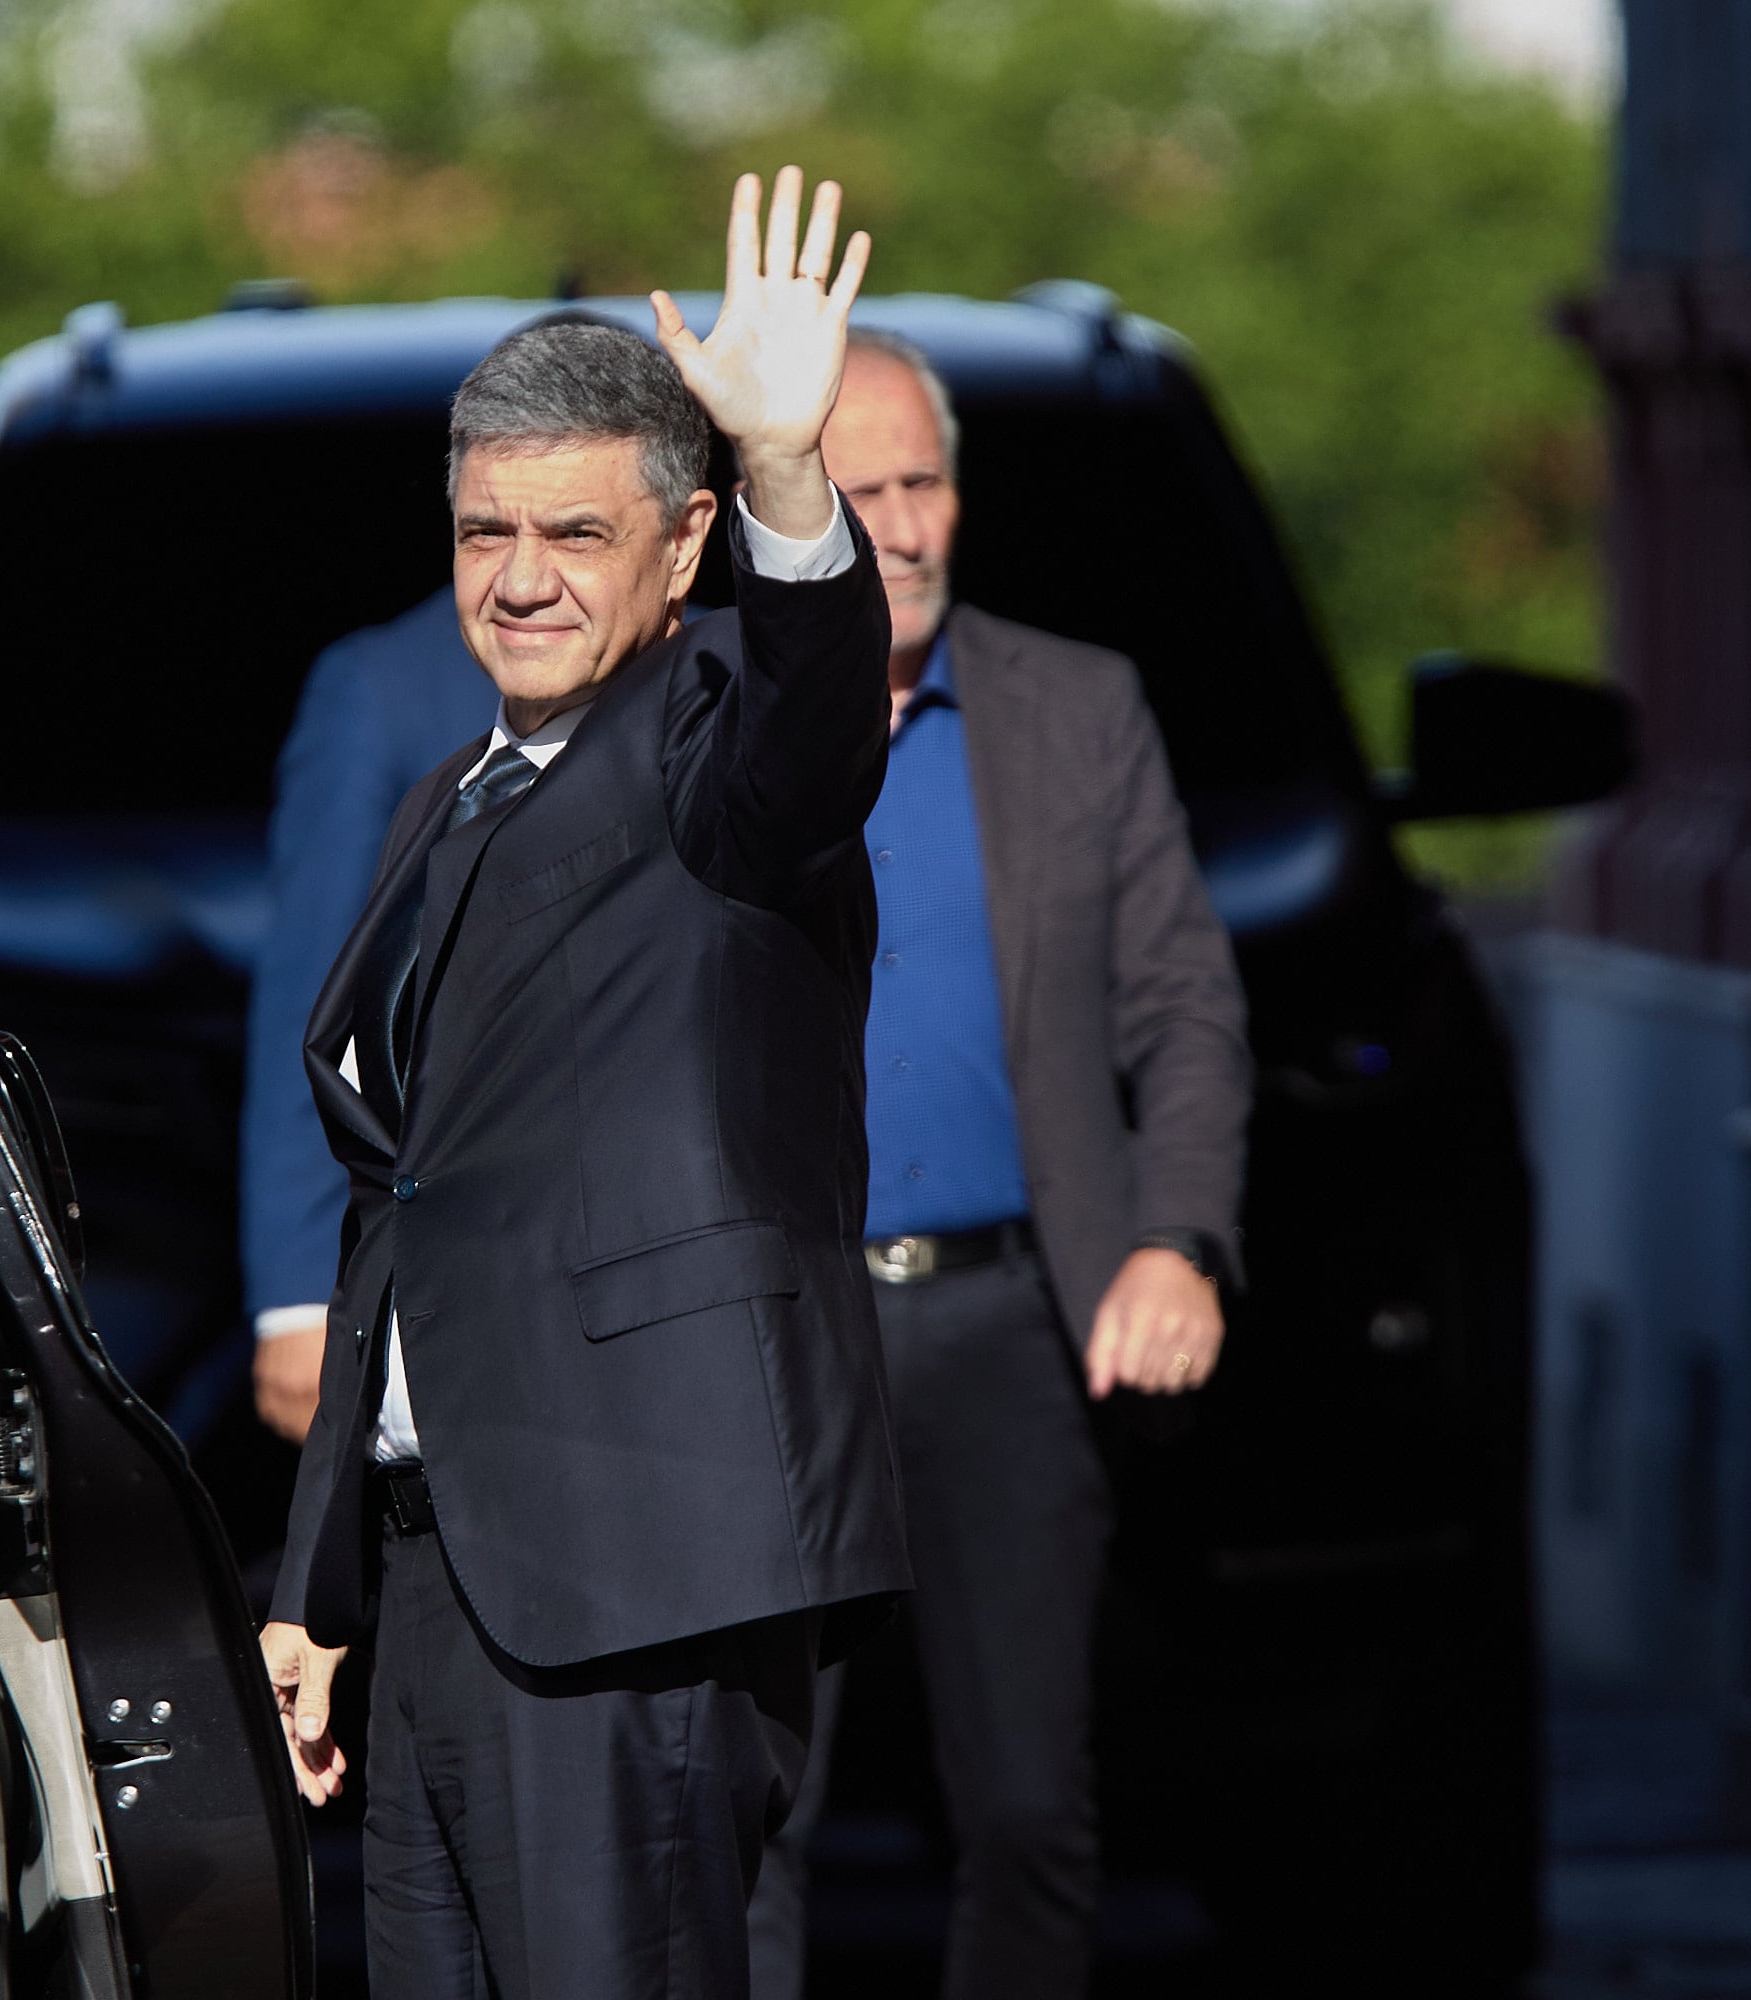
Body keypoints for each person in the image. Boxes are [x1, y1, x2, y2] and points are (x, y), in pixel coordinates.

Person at [256, 168, 910, 1997]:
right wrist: (318, 1587)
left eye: (574, 533)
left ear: (682, 550)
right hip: (443, 1587)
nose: (521, 577)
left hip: (637, 1573)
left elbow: (812, 734)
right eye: (486, 532)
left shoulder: (709, 755)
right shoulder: (446, 794)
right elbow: (406, 1207)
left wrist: (787, 471)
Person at [744, 331, 1253, 1999]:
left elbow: (1184, 1004)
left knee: (1033, 1807)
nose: (900, 526)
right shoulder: (702, 713)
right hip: (774, 1334)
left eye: (924, 484)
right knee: (754, 1815)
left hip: (1015, 1327)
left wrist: (1178, 1237)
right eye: (858, 491)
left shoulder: (1075, 707)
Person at [241, 586, 487, 1444]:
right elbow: (318, 998)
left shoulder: (739, 668)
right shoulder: (389, 685)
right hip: (473, 1264)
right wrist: (302, 1293)